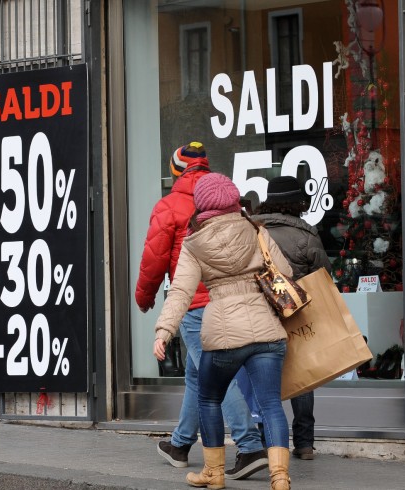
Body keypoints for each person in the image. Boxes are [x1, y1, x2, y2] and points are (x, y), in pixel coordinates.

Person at [135, 142, 268, 480]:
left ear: (177, 170)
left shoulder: (170, 205)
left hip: (195, 304)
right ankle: (180, 445)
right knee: (197, 375)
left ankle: (250, 446)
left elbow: (154, 259)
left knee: (215, 376)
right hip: (231, 296)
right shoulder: (227, 200)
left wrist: (145, 297)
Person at [154, 172, 293, 490]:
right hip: (267, 330)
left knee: (208, 398)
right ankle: (280, 477)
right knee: (271, 403)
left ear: (201, 206)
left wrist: (164, 331)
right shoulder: (256, 229)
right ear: (234, 201)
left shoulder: (194, 241)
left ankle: (214, 473)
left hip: (224, 334)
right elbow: (284, 272)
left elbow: (181, 292)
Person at [251, 176, 332, 461]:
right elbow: (323, 276)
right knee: (303, 375)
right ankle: (305, 443)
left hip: (259, 312)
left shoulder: (253, 229)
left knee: (262, 378)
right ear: (297, 202)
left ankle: (266, 441)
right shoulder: (306, 234)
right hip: (295, 312)